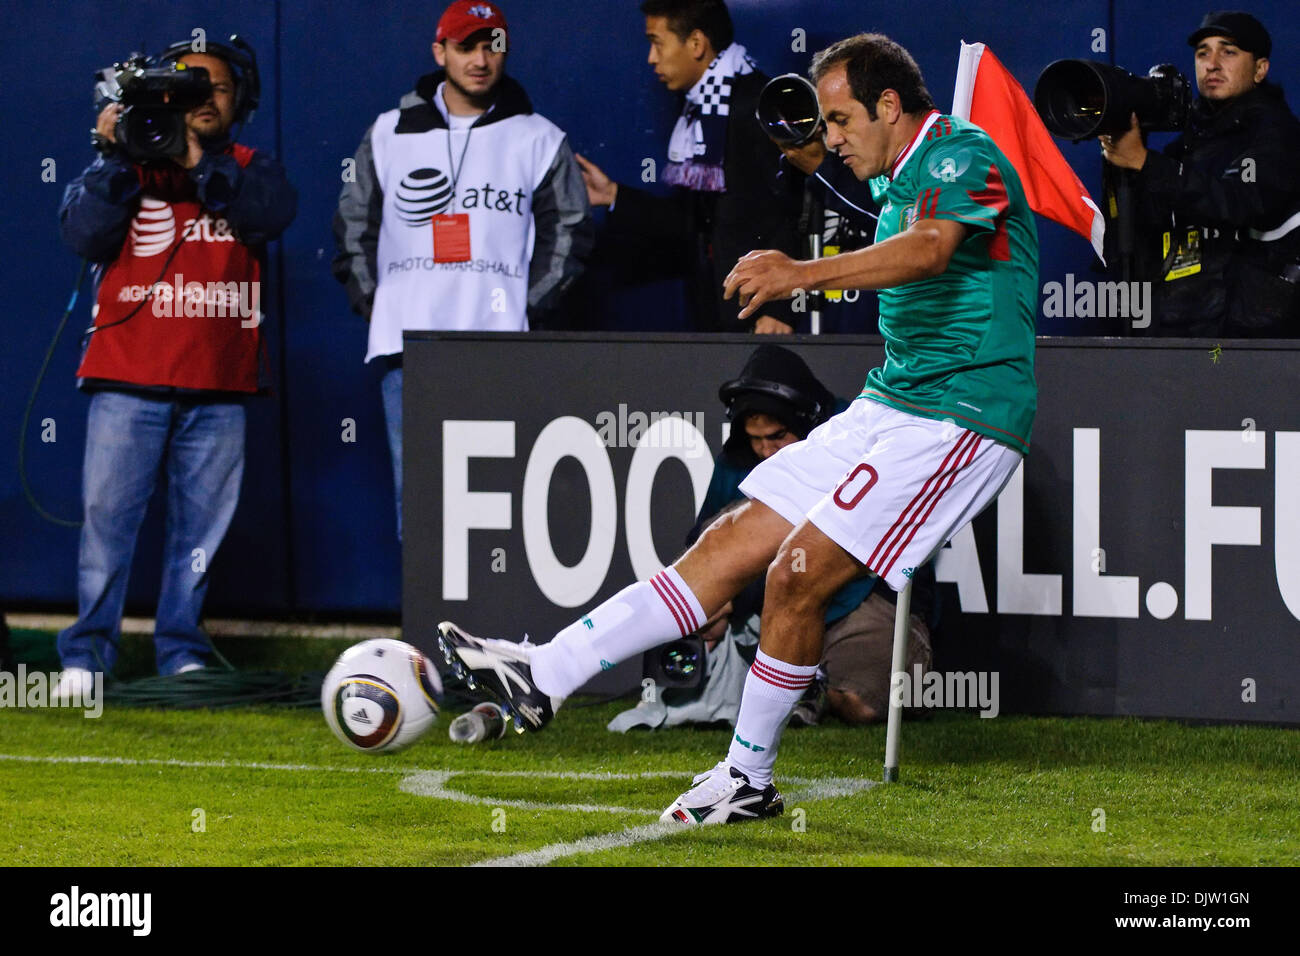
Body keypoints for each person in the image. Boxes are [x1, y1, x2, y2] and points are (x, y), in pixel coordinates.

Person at [438, 32, 1038, 825]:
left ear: (891, 105)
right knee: (729, 542)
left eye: (841, 118)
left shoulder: (963, 150)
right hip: (892, 403)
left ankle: (747, 777)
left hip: (962, 412)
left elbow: (929, 250)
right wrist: (806, 156)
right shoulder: (895, 176)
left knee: (796, 574)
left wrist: (799, 271)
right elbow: (868, 201)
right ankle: (546, 672)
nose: (832, 137)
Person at [55, 37, 296, 695]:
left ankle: (181, 649)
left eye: (214, 88)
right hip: (126, 376)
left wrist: (192, 157)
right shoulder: (126, 164)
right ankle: (86, 657)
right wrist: (114, 153)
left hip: (220, 381)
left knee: (200, 537)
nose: (204, 99)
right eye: (189, 86)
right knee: (107, 528)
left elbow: (269, 213)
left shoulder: (251, 165)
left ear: (237, 98)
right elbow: (82, 233)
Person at [332, 0, 592, 537]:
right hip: (410, 346)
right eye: (466, 46)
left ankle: (491, 623)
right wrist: (378, 304)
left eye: (491, 45)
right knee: (421, 499)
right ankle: (428, 623)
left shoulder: (539, 136)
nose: (480, 59)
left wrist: (527, 309)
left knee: (499, 496)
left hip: (500, 345)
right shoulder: (388, 131)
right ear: (439, 51)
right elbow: (353, 225)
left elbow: (569, 232)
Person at [609, 344, 932, 733]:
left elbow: (882, 543)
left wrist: (747, 589)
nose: (764, 449)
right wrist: (710, 603)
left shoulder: (858, 434)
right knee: (713, 548)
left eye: (776, 436)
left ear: (807, 418)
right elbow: (705, 539)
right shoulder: (739, 456)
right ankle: (791, 682)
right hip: (771, 608)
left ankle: (812, 684)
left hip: (861, 600)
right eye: (755, 438)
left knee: (860, 704)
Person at [575, 0, 801, 333]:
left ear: (695, 43)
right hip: (720, 313)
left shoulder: (755, 105)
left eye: (656, 42)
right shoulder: (703, 111)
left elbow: (798, 209)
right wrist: (612, 195)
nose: (651, 58)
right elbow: (695, 222)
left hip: (762, 317)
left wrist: (781, 308)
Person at [1101, 11, 1300, 336]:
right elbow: (1134, 242)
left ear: (1260, 69)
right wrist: (1122, 163)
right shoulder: (1182, 150)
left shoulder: (1276, 134)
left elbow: (1244, 203)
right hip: (1181, 329)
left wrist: (1146, 163)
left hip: (1252, 337)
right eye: (1203, 52)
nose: (1213, 63)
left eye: (1229, 51)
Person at [764, 114, 881, 333]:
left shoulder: (888, 162)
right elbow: (781, 229)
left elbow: (889, 223)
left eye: (843, 119)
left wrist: (822, 168)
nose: (833, 137)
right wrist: (777, 309)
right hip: (807, 310)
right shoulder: (789, 169)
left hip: (871, 315)